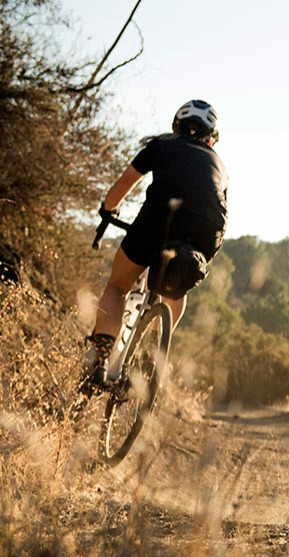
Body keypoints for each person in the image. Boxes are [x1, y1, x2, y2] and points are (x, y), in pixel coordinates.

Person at [85, 99, 229, 385]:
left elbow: (120, 189)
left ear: (177, 127)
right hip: (208, 231)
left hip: (159, 218)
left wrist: (108, 210)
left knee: (118, 285)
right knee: (177, 283)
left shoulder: (161, 146)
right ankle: (156, 349)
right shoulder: (219, 164)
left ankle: (100, 360)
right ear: (211, 138)